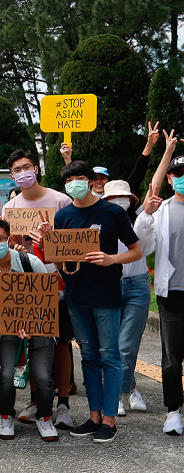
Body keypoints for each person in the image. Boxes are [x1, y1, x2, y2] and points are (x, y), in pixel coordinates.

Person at [42, 160, 142, 443]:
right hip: (77, 296)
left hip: (107, 294)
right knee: (88, 356)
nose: (74, 183)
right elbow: (63, 264)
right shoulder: (63, 218)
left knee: (109, 355)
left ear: (89, 180)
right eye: (68, 180)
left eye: (79, 178)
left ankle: (109, 419)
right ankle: (94, 415)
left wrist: (112, 259)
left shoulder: (112, 212)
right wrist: (49, 244)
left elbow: (136, 251)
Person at [0, 148, 74, 425]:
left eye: (27, 167)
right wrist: (15, 245)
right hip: (26, 285)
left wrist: (49, 241)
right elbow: (6, 246)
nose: (23, 173)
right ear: (12, 176)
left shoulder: (61, 200)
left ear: (37, 169)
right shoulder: (10, 208)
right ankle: (36, 400)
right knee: (31, 341)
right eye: (17, 170)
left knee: (61, 344)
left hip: (58, 281)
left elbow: (71, 243)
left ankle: (64, 402)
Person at [0, 217, 59, 442]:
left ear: (9, 239)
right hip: (9, 330)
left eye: (1, 239)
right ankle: (6, 415)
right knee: (6, 374)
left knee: (43, 376)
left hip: (40, 328)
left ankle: (44, 417)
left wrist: (34, 323)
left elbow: (49, 297)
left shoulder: (29, 262)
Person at [134, 133, 184, 435]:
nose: (181, 178)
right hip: (172, 295)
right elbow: (143, 245)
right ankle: (174, 411)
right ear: (169, 180)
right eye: (177, 174)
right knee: (171, 360)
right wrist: (146, 214)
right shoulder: (161, 210)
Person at [102, 179, 150, 417]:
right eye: (113, 198)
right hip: (109, 285)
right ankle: (127, 389)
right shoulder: (98, 224)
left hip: (137, 285)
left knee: (127, 346)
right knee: (111, 346)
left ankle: (118, 395)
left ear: (132, 200)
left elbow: (144, 249)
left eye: (124, 197)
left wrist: (166, 149)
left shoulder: (140, 221)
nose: (119, 202)